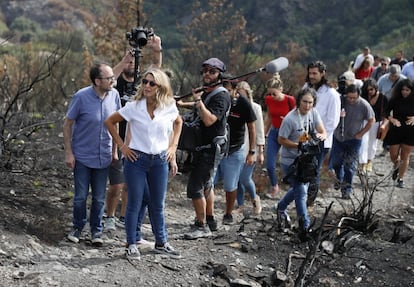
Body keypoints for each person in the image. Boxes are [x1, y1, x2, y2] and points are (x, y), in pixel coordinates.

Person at [104, 68, 183, 260]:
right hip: (136, 160)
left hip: (159, 161)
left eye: (151, 83)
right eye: (145, 82)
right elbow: (109, 121)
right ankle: (131, 244)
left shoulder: (169, 105)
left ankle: (161, 243)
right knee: (134, 202)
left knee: (157, 204)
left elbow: (179, 123)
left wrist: (173, 147)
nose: (146, 86)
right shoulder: (134, 106)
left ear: (160, 87)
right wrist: (122, 146)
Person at [104, 34, 162, 235]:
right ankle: (109, 217)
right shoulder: (115, 82)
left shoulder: (142, 83)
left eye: (134, 63)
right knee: (116, 184)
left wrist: (156, 50)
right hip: (118, 139)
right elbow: (109, 79)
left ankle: (123, 216)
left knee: (131, 186)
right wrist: (124, 60)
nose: (132, 65)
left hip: (137, 140)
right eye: (129, 63)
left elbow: (157, 73)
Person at [63, 62, 121, 245]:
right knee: (80, 196)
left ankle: (96, 231)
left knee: (99, 197)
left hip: (104, 156)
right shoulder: (81, 97)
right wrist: (68, 153)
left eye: (113, 77)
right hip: (82, 156)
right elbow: (67, 124)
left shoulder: (115, 96)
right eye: (109, 78)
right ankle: (77, 227)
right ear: (97, 81)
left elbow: (116, 123)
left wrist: (115, 150)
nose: (113, 81)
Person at [182, 58, 231, 240]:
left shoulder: (222, 96)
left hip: (211, 148)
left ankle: (201, 226)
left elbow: (209, 119)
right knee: (206, 185)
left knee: (195, 187)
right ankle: (209, 219)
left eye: (212, 71)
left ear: (220, 75)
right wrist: (182, 103)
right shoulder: (209, 93)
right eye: (205, 71)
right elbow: (200, 107)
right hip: (202, 146)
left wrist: (198, 101)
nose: (207, 74)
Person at [274, 88, 326, 239]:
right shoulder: (290, 119)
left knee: (299, 189)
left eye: (310, 102)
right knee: (301, 192)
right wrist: (297, 145)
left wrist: (320, 137)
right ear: (299, 101)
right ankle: (305, 225)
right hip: (290, 160)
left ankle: (281, 207)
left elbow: (323, 130)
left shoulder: (314, 113)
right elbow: (281, 139)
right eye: (305, 102)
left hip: (307, 160)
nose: (308, 105)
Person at [214, 78, 257, 224]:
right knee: (209, 182)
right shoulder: (218, 99)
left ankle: (228, 213)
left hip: (234, 149)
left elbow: (252, 128)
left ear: (234, 89)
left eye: (227, 89)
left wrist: (252, 151)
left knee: (230, 185)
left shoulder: (243, 103)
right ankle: (206, 214)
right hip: (216, 148)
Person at [303, 61, 341, 206]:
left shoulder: (331, 94)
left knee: (314, 169)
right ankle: (302, 197)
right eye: (310, 73)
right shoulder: (306, 88)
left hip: (321, 139)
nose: (311, 76)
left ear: (322, 74)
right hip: (304, 136)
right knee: (303, 167)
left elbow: (333, 120)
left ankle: (309, 201)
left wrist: (319, 135)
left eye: (315, 73)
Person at [330, 84, 375, 199]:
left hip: (353, 140)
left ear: (358, 96)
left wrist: (361, 134)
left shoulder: (364, 105)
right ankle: (339, 178)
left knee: (349, 166)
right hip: (338, 137)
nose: (351, 100)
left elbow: (371, 120)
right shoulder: (340, 101)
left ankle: (346, 189)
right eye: (349, 97)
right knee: (336, 162)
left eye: (354, 98)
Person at [235, 81, 265, 215]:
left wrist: (260, 151)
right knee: (237, 179)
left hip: (250, 147)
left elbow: (259, 131)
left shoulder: (255, 108)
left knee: (245, 178)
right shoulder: (234, 106)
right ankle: (240, 204)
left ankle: (255, 199)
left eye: (242, 94)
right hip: (237, 147)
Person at [263, 76, 296, 199]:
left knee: (289, 162)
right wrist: (264, 134)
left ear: (281, 89)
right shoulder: (269, 100)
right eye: (270, 93)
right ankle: (274, 185)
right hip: (274, 132)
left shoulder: (290, 100)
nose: (272, 96)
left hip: (289, 134)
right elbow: (269, 117)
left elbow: (297, 116)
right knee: (270, 163)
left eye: (274, 93)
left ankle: (293, 187)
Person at [381, 79, 414, 188]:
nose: (405, 92)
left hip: (410, 131)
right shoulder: (395, 99)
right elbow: (385, 112)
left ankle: (401, 178)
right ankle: (396, 164)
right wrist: (391, 119)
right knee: (393, 155)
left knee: (405, 155)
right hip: (396, 129)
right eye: (403, 90)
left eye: (407, 90)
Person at [359, 79, 388, 172]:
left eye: (371, 89)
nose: (369, 92)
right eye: (367, 90)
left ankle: (369, 161)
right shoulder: (363, 96)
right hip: (364, 122)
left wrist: (384, 125)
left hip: (376, 123)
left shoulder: (383, 98)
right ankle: (362, 163)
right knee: (363, 142)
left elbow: (387, 114)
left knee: (372, 143)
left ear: (376, 88)